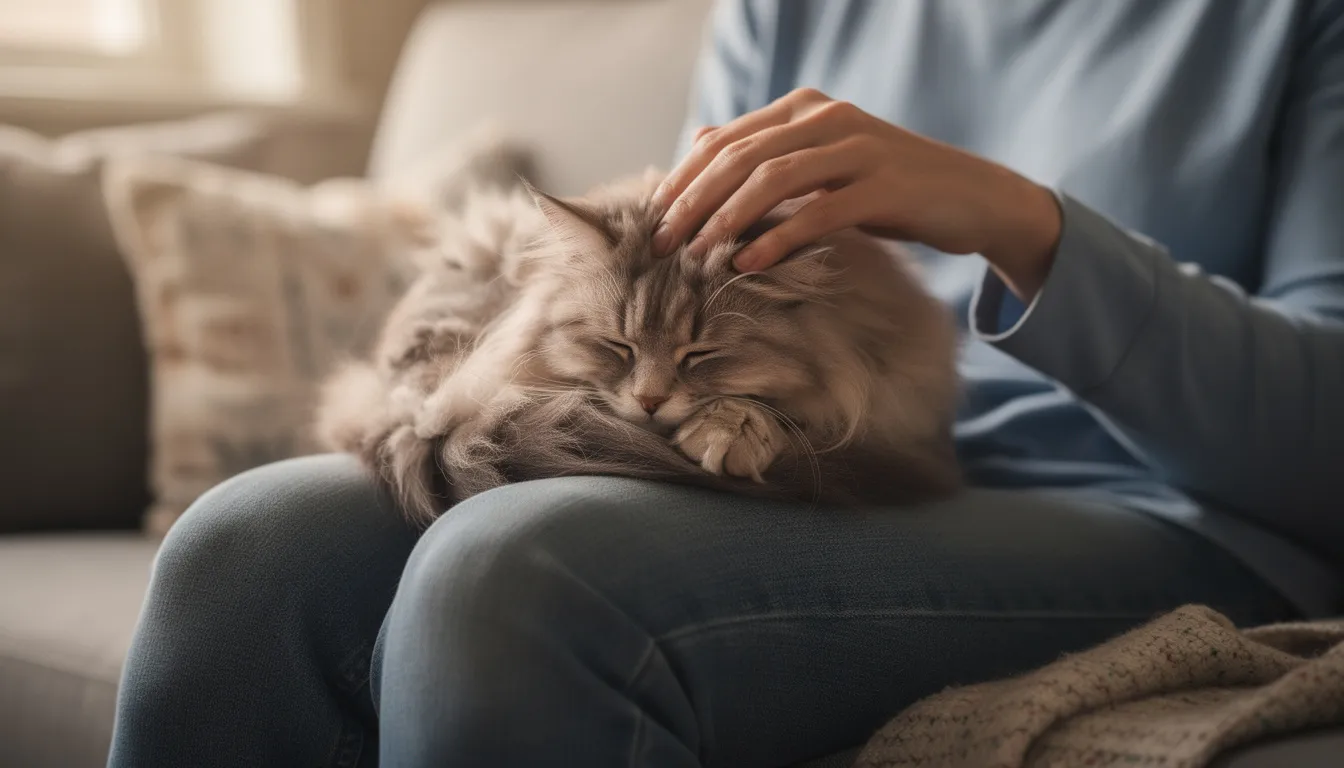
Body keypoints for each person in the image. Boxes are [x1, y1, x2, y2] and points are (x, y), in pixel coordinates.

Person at [108, 1, 1344, 766]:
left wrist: (1015, 221)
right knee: (248, 549)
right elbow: (677, 267)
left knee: (517, 575)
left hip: (1158, 505)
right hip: (775, 441)